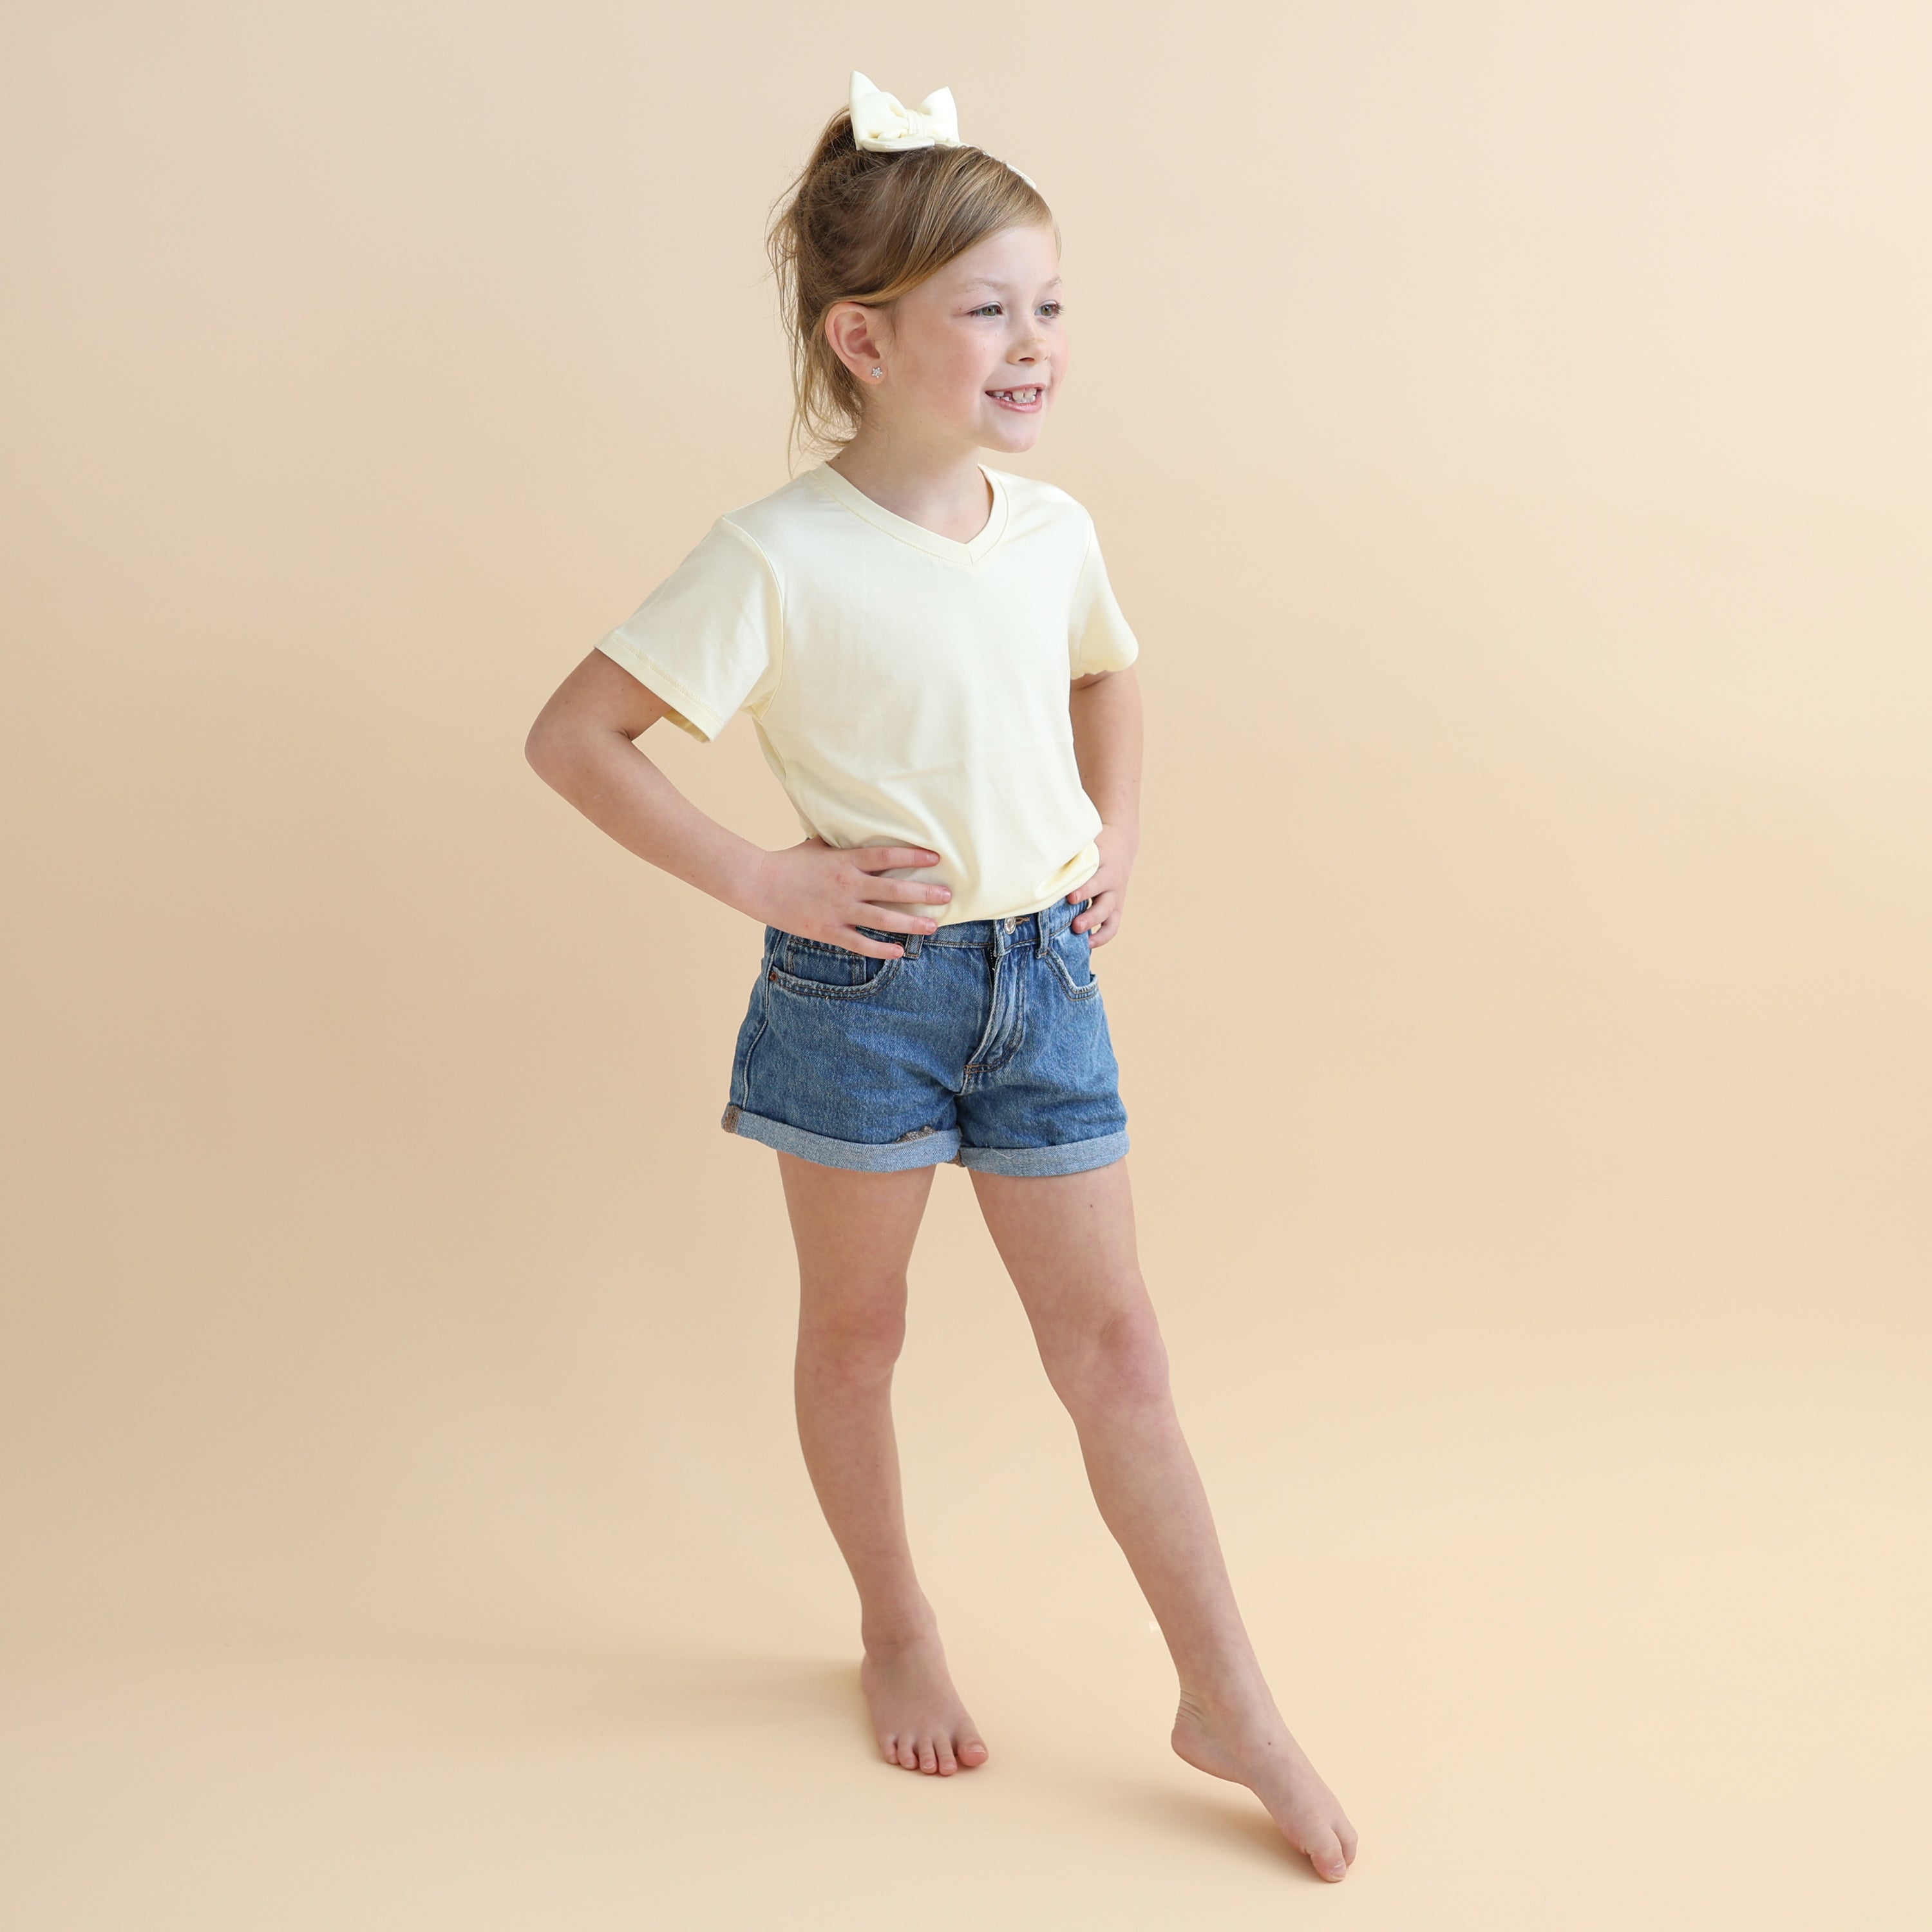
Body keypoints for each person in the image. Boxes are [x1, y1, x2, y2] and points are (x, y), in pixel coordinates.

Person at [524, 72, 1358, 1883]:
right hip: (866, 1000)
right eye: (991, 310)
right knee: (860, 1332)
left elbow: (1107, 675)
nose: (1035, 344)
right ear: (866, 336)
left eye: (1051, 305)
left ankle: (1231, 1700)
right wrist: (763, 874)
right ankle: (893, 1617)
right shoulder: (778, 554)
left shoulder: (1054, 533)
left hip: (1043, 983)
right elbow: (576, 736)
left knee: (1119, 1348)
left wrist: (1114, 834)